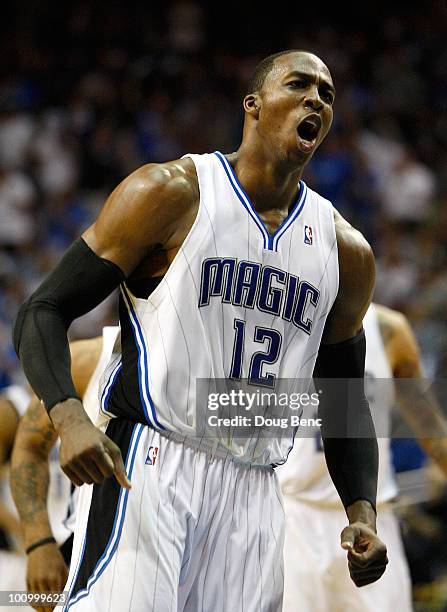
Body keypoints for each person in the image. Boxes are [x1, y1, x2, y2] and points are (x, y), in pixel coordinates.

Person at [13, 49, 388, 611]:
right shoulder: (170, 192)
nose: (316, 98)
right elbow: (42, 309)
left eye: (327, 93)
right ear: (254, 106)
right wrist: (68, 416)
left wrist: (362, 509)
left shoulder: (345, 250)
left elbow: (344, 400)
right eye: (299, 84)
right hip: (151, 465)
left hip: (258, 490)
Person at [279, 303, 447, 612]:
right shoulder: (281, 311)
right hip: (293, 516)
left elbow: (429, 424)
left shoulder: (389, 329)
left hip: (373, 519)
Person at [10, 327, 120, 612]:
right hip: (80, 555)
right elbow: (30, 447)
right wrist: (38, 543)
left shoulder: (225, 376)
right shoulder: (92, 358)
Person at [0, 385, 31, 608]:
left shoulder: (94, 402)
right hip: (20, 557)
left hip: (71, 557)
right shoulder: (13, 408)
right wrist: (31, 537)